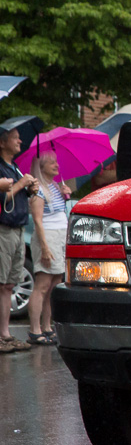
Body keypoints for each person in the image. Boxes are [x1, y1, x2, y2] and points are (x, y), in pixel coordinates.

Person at [26, 152, 70, 345]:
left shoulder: (54, 187)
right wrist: (44, 247)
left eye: (56, 161)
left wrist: (64, 196)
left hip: (60, 237)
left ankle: (47, 326)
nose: (56, 164)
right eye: (51, 162)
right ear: (40, 166)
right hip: (48, 238)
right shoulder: (38, 189)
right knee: (42, 285)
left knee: (54, 285)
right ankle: (35, 329)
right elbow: (37, 219)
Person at [0, 126, 37, 352]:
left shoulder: (14, 168)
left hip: (18, 230)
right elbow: (4, 196)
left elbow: (14, 192)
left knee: (9, 285)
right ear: (2, 142)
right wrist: (20, 184)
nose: (19, 141)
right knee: (0, 283)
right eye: (15, 138)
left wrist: (29, 189)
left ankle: (5, 334)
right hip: (3, 229)